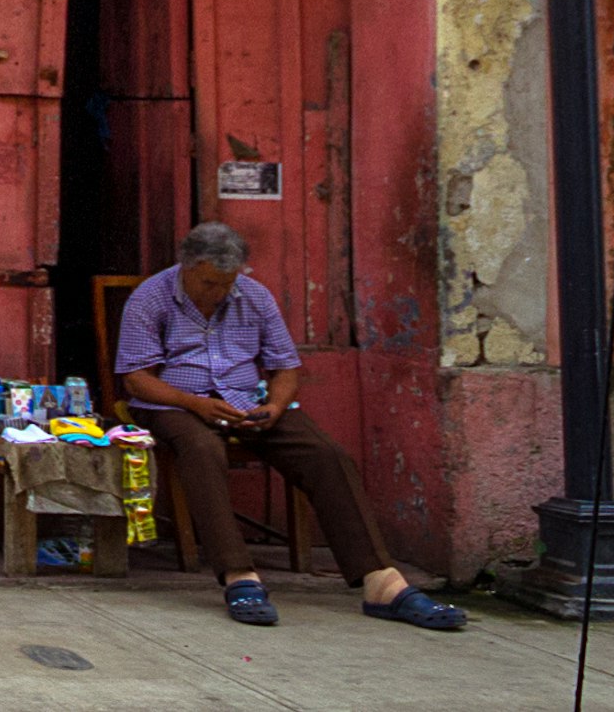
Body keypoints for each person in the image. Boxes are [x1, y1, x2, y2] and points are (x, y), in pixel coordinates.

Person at [115, 220, 467, 632]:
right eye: (210, 282)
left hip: (247, 400)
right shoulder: (151, 297)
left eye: (228, 282)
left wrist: (276, 407)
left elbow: (285, 368)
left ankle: (381, 582)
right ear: (187, 268)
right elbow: (137, 377)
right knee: (202, 449)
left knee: (326, 454)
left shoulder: (254, 296)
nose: (220, 292)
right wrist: (197, 404)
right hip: (174, 402)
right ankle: (239, 576)